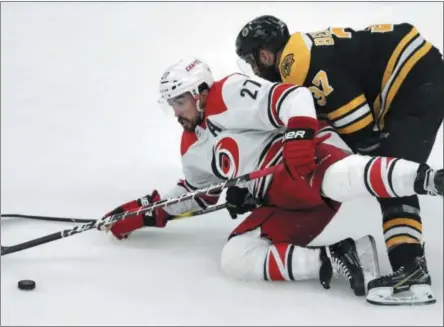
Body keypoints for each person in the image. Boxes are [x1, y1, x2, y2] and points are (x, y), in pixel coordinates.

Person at [100, 58, 442, 304]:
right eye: (172, 105)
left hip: (306, 159)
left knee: (338, 179)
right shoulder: (192, 146)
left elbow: (294, 98)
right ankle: (343, 256)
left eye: (180, 101)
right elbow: (197, 194)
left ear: (200, 92)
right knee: (235, 257)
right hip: (284, 198)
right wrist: (144, 212)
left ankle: (431, 180)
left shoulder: (229, 93)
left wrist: (295, 141)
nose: (176, 113)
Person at [234, 16, 444, 305]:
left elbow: (356, 120)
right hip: (414, 71)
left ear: (266, 52)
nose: (256, 69)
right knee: (389, 175)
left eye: (253, 59)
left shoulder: (294, 64)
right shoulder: (302, 50)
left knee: (390, 180)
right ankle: (411, 267)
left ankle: (412, 272)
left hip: (413, 77)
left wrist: (366, 167)